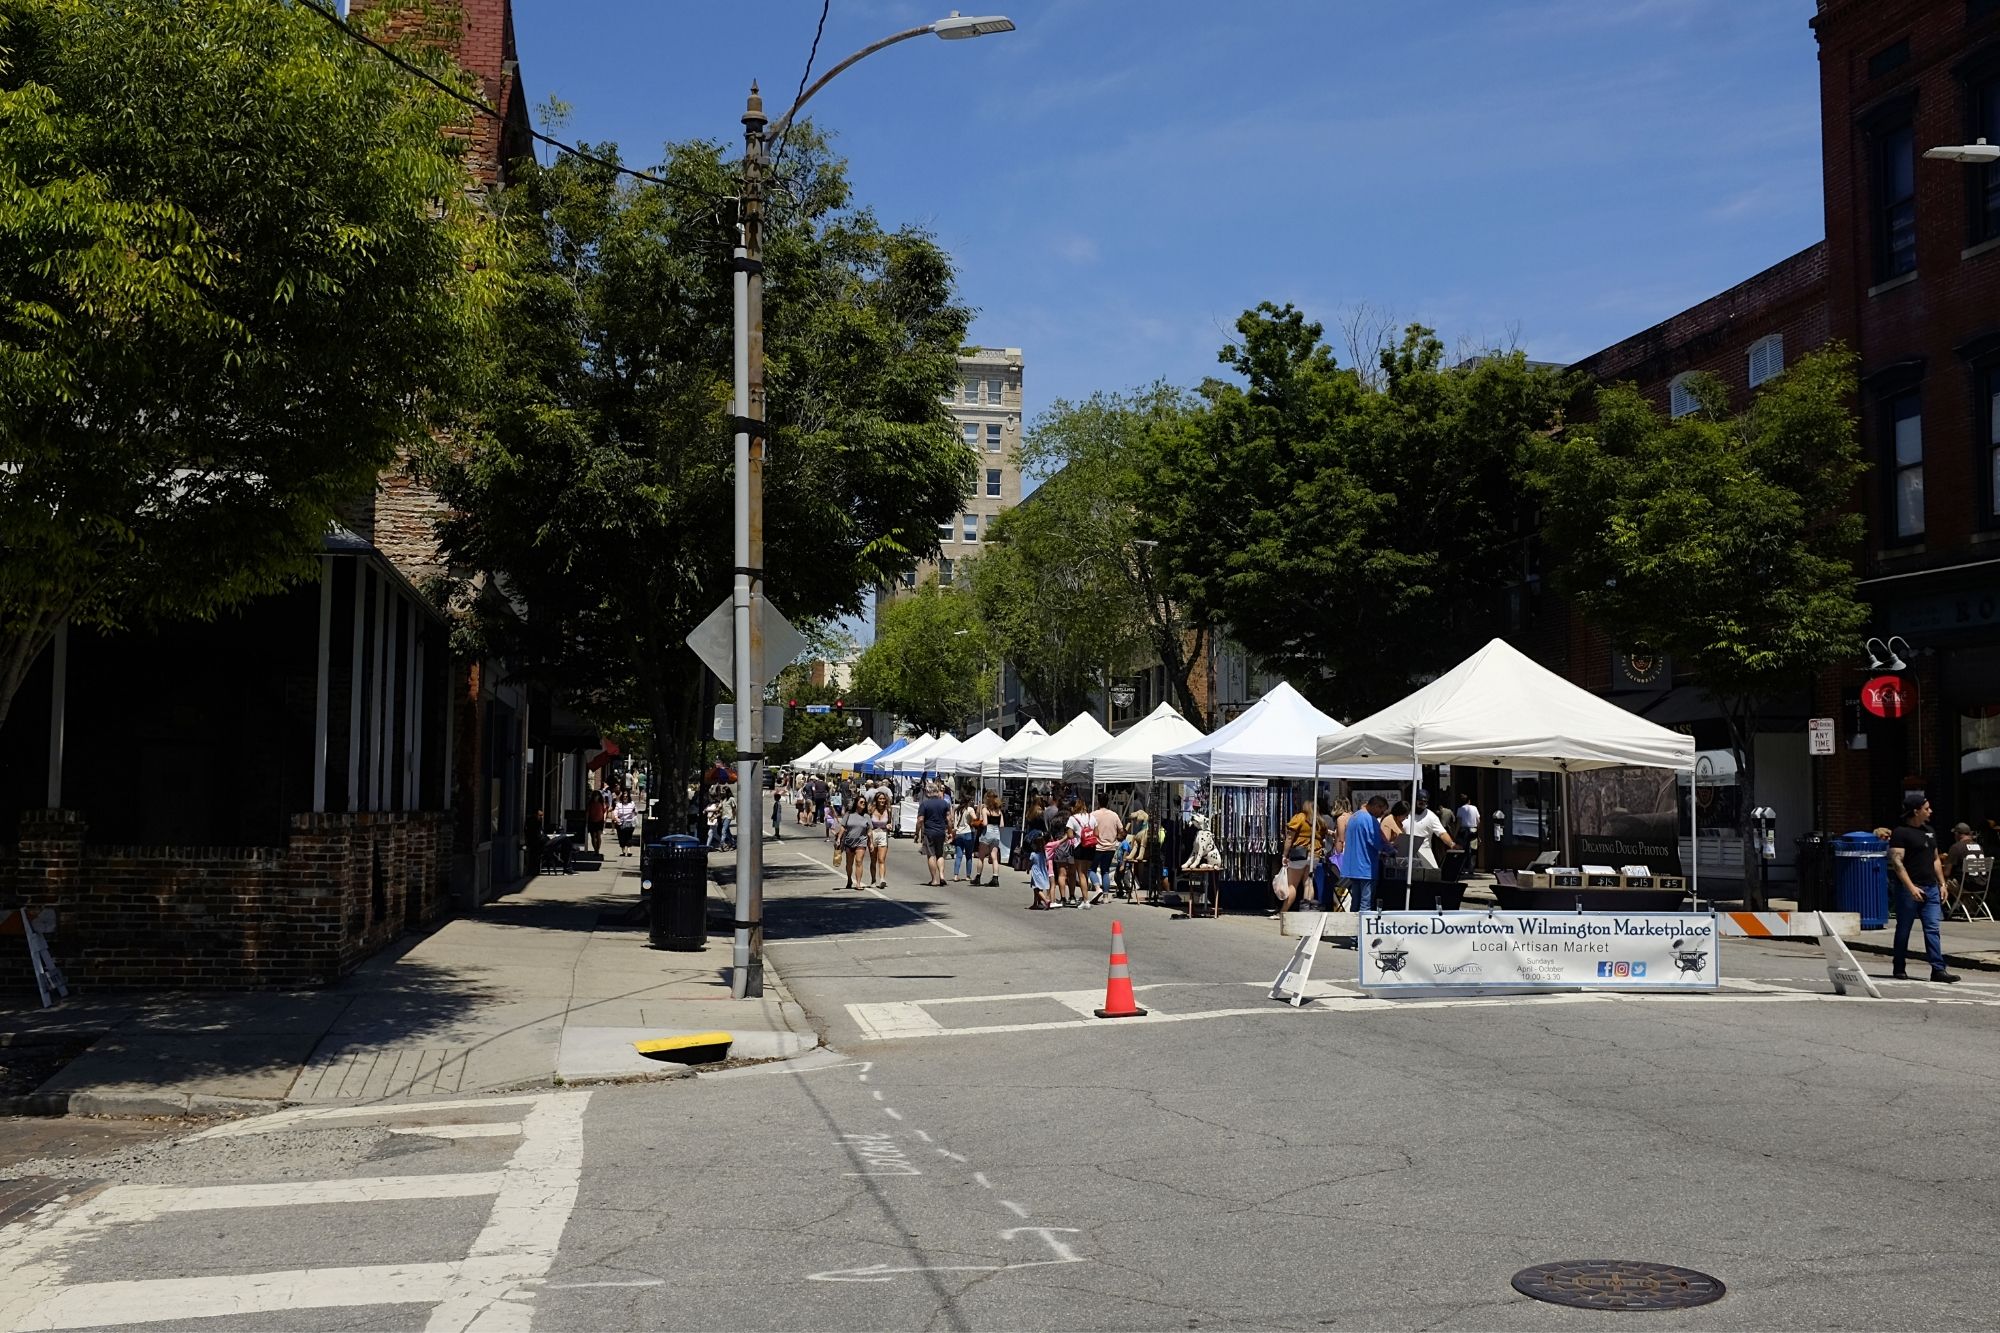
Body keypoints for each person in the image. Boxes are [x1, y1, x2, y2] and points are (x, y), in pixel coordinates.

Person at [1888, 794, 1960, 983]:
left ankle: (1938, 969)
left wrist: (1942, 884)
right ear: (1916, 811)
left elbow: (1935, 859)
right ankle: (1899, 965)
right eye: (1926, 808)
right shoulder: (1901, 832)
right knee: (1904, 928)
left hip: (1931, 888)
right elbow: (1897, 863)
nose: (1930, 811)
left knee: (1932, 928)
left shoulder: (1929, 831)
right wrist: (1911, 887)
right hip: (1909, 889)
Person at [1338, 795, 1390, 915]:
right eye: (1382, 811)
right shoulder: (1369, 819)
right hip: (1366, 867)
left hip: (1353, 867)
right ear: (1377, 806)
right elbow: (1374, 840)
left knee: (1355, 902)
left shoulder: (1354, 817)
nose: (1381, 814)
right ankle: (1361, 932)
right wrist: (1387, 850)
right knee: (1365, 904)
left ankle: (1352, 931)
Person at [1401, 790, 1457, 873]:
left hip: (1424, 852)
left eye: (1425, 804)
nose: (1422, 806)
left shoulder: (1431, 817)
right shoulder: (1405, 814)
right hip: (1405, 853)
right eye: (1420, 803)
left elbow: (1441, 833)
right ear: (1414, 801)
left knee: (1433, 875)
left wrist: (1452, 844)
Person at [917, 782, 953, 887]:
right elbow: (949, 819)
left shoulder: (924, 804)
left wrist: (916, 833)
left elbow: (920, 820)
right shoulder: (944, 803)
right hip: (941, 832)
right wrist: (950, 832)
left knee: (931, 855)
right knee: (940, 854)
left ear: (928, 792)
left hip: (929, 832)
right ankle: (942, 876)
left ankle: (934, 879)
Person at [1089, 799, 1123, 906]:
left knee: (1091, 869)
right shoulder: (1114, 815)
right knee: (1106, 871)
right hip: (1110, 847)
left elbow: (1088, 828)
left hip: (1097, 847)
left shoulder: (1093, 815)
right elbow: (1121, 830)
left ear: (1098, 803)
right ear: (1108, 803)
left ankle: (1097, 888)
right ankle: (1106, 896)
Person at [839, 801, 871, 890]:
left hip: (861, 841)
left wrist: (871, 843)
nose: (863, 803)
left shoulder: (866, 816)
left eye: (864, 802)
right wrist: (839, 839)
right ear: (856, 803)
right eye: (861, 802)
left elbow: (869, 830)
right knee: (849, 863)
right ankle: (849, 879)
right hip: (849, 841)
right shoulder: (848, 815)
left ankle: (858, 883)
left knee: (859, 861)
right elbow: (843, 827)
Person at [976, 791, 1005, 887]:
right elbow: (1002, 825)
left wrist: (978, 823)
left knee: (981, 856)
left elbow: (984, 823)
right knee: (994, 857)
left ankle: (978, 877)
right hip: (996, 833)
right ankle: (995, 877)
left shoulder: (985, 810)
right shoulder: (999, 811)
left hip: (987, 832)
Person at [951, 791, 981, 882]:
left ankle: (955, 875)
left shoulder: (957, 809)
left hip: (958, 833)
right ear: (968, 801)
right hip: (968, 833)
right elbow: (975, 818)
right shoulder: (970, 809)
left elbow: (953, 821)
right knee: (968, 855)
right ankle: (968, 875)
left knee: (959, 855)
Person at [867, 791, 894, 890]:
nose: (882, 801)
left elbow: (890, 823)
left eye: (883, 799)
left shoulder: (888, 810)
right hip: (873, 834)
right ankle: (873, 880)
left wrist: (889, 826)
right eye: (880, 799)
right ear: (876, 800)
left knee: (881, 859)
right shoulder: (871, 810)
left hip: (883, 834)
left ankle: (882, 879)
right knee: (873, 859)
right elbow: (867, 823)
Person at [1454, 790, 1481, 857]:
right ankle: (1471, 865)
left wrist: (1455, 834)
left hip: (1463, 830)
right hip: (1473, 830)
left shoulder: (1460, 809)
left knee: (1463, 849)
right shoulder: (1474, 808)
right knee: (1473, 849)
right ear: (1469, 801)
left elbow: (1459, 823)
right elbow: (1478, 821)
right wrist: (1478, 835)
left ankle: (1464, 865)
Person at [612, 791, 638, 858]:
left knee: (629, 836)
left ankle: (629, 851)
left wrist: (635, 813)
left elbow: (635, 812)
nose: (625, 798)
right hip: (621, 823)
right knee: (621, 837)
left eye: (626, 796)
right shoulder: (619, 804)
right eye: (624, 796)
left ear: (628, 797)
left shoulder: (632, 803)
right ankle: (623, 851)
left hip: (630, 822)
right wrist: (616, 818)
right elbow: (615, 812)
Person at [585, 786, 608, 854]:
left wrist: (604, 819)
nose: (596, 797)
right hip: (592, 821)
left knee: (598, 835)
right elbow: (588, 813)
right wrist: (586, 821)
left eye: (597, 796)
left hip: (599, 821)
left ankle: (597, 849)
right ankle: (595, 849)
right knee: (593, 836)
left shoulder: (601, 803)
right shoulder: (590, 804)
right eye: (595, 796)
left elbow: (604, 811)